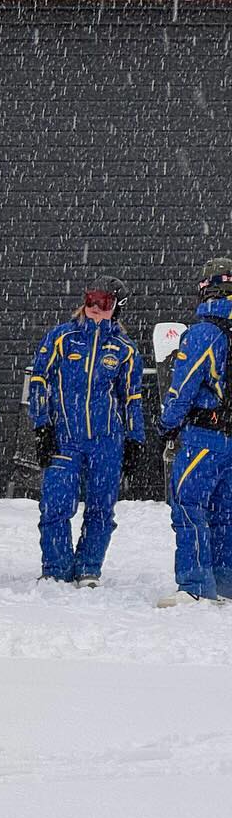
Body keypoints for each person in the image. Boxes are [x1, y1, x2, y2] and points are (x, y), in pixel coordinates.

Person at [27, 276, 144, 587]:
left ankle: (89, 568)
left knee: (101, 509)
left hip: (106, 441)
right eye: (91, 300)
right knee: (55, 506)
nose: (94, 308)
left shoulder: (124, 349)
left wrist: (135, 440)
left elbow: (132, 397)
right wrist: (41, 427)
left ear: (117, 309)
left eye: (104, 303)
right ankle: (56, 569)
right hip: (64, 437)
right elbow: (39, 380)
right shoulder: (62, 338)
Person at [155, 257, 232, 606]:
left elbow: (183, 385)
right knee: (225, 513)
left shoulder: (204, 331)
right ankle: (225, 585)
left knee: (190, 506)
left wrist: (167, 424)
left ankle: (197, 586)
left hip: (206, 434)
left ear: (204, 288)